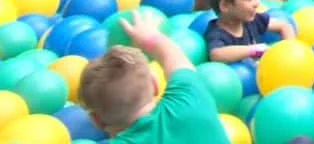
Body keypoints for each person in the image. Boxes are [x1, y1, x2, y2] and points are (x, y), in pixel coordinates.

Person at [78, 12, 226, 143]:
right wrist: (150, 38)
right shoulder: (190, 98)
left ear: (96, 121)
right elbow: (172, 55)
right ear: (155, 85)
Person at [203, 0, 297, 63]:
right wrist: (252, 50)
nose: (257, 3)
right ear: (225, 6)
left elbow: (285, 27)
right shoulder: (217, 32)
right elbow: (216, 54)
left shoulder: (252, 20)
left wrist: (289, 53)